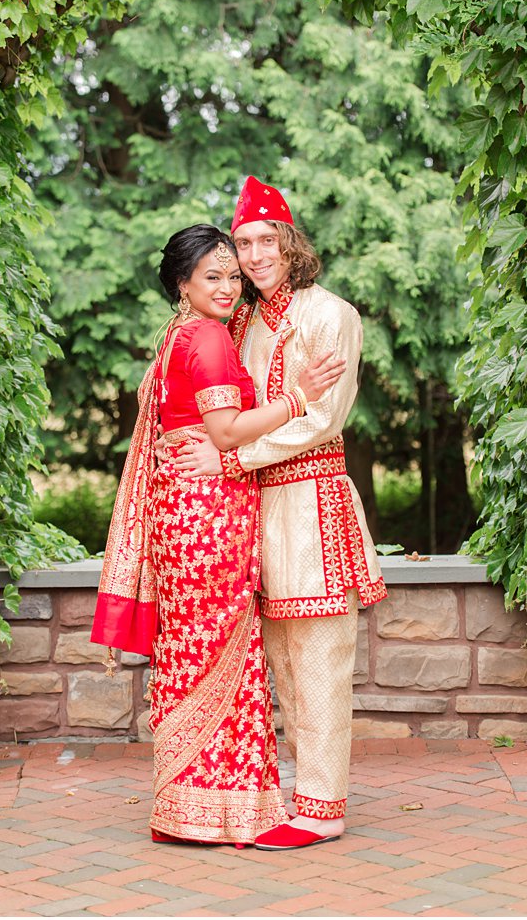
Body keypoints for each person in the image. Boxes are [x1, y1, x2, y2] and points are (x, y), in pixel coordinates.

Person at [93, 224, 344, 846]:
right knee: (223, 655)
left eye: (234, 276)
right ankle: (227, 812)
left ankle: (185, 808)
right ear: (183, 283)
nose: (231, 286)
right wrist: (297, 397)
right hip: (210, 517)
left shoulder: (178, 332)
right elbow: (228, 431)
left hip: (182, 515)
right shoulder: (207, 337)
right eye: (215, 276)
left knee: (192, 653)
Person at [172, 177, 386, 851]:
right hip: (255, 513)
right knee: (281, 668)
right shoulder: (241, 319)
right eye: (244, 243)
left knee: (319, 662)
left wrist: (229, 460)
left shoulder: (332, 316)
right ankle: (296, 797)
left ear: (291, 245)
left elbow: (321, 421)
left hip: (312, 506)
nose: (256, 255)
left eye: (268, 240)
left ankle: (324, 810)